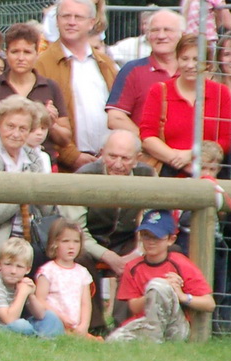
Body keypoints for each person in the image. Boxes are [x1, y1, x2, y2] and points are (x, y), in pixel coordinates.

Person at [0, 95, 54, 276]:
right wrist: (23, 192)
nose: (16, 134)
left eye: (23, 129)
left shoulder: (33, 156)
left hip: (34, 236)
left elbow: (46, 207)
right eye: (10, 126)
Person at [57, 130, 155, 283]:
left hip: (129, 243)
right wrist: (107, 256)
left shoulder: (147, 175)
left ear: (137, 159)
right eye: (112, 156)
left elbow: (153, 221)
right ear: (102, 153)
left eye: (125, 158)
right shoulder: (83, 177)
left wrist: (138, 252)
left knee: (161, 252)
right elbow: (76, 229)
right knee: (78, 255)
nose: (117, 164)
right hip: (90, 243)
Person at [38, 0, 119, 170]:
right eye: (66, 16)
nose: (71, 22)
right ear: (57, 21)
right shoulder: (41, 65)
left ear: (91, 22)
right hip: (65, 166)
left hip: (107, 162)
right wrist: (71, 155)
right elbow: (40, 118)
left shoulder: (106, 64)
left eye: (78, 17)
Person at [107, 211, 215, 342]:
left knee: (158, 285)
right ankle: (151, 337)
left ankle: (154, 340)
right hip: (145, 321)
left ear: (171, 240)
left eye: (157, 237)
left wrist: (180, 295)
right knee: (114, 340)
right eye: (146, 236)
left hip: (174, 324)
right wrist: (153, 294)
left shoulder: (181, 263)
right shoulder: (133, 267)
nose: (150, 242)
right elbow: (134, 307)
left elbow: (209, 304)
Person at [139, 34, 231, 176]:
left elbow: (227, 138)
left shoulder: (221, 93)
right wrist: (177, 159)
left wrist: (193, 155)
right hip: (168, 174)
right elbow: (147, 136)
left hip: (209, 174)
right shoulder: (159, 91)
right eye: (184, 59)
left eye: (197, 59)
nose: (190, 65)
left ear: (208, 63)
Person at [105, 9, 184, 135]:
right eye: (154, 30)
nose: (161, 36)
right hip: (144, 151)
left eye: (167, 30)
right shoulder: (133, 70)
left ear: (182, 34)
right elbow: (115, 118)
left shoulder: (192, 73)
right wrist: (148, 142)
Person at [0, 23, 66, 130]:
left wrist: (49, 122)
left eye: (27, 52)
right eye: (15, 52)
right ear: (6, 53)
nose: (21, 58)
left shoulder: (51, 86)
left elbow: (65, 137)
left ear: (36, 54)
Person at [0, 237, 61, 337]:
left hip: (8, 325)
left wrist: (30, 294)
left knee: (50, 317)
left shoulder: (22, 283)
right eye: (8, 264)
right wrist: (22, 293)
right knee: (21, 325)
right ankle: (39, 338)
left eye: (19, 266)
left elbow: (40, 314)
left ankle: (45, 340)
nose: (13, 271)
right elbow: (10, 320)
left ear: (27, 269)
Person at [34, 218, 96, 338]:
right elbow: (40, 300)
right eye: (65, 241)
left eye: (76, 241)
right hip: (53, 324)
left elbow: (85, 303)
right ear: (54, 243)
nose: (71, 246)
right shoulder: (48, 271)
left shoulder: (82, 272)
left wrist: (84, 325)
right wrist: (60, 317)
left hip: (75, 327)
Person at [42, 0, 107, 49]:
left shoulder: (97, 17)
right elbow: (52, 44)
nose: (83, 0)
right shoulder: (54, 14)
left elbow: (99, 45)